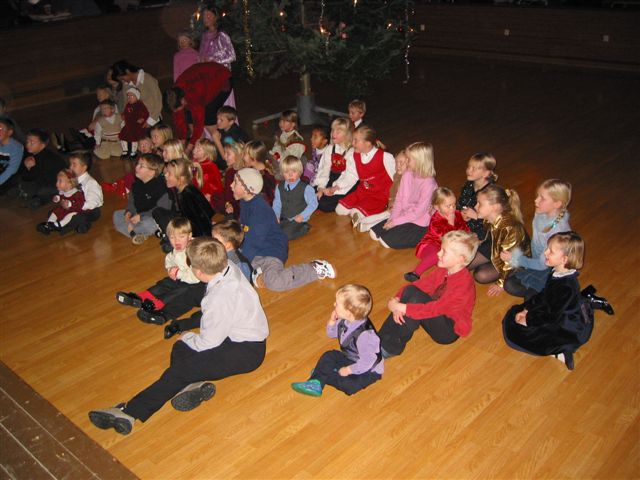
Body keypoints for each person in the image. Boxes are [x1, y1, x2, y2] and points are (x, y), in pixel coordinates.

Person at [88, 237, 269, 435]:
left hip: (245, 352)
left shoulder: (218, 299)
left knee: (181, 363)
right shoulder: (229, 267)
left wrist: (186, 336)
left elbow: (209, 341)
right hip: (240, 337)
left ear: (198, 272)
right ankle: (192, 384)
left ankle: (128, 412)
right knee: (182, 350)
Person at [502, 232, 606, 370]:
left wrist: (529, 319)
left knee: (517, 333)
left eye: (550, 251)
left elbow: (551, 317)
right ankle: (557, 350)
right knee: (514, 315)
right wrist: (527, 309)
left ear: (564, 259)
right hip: (552, 313)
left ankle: (561, 351)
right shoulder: (556, 272)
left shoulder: (566, 287)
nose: (545, 252)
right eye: (547, 248)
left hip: (564, 326)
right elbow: (545, 295)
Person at [379, 230, 480, 358]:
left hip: (448, 329)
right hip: (435, 311)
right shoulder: (443, 270)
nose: (438, 253)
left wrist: (403, 308)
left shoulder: (463, 286)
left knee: (416, 299)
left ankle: (391, 348)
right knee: (410, 291)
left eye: (444, 252)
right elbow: (419, 285)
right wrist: (398, 300)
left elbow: (436, 309)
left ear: (460, 259)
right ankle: (378, 339)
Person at [233, 168, 336, 291]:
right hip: (256, 250)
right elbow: (245, 231)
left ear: (247, 189)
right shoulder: (245, 202)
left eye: (235, 183)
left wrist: (241, 264)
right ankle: (258, 274)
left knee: (275, 283)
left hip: (270, 251)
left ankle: (315, 268)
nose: (231, 185)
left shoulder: (259, 211)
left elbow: (253, 242)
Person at [164, 219, 253, 340]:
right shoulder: (218, 254)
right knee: (191, 294)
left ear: (227, 245)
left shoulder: (238, 264)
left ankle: (180, 325)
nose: (211, 241)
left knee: (206, 315)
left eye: (215, 239)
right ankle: (165, 313)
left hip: (228, 301)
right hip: (214, 288)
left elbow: (241, 290)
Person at [291, 284, 383, 397]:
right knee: (329, 355)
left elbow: (367, 362)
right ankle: (316, 382)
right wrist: (332, 321)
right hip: (351, 358)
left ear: (348, 312)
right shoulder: (344, 320)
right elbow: (332, 334)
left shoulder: (366, 336)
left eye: (337, 304)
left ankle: (322, 374)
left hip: (369, 370)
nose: (334, 304)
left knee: (349, 386)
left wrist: (349, 370)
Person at [116, 217, 206, 325]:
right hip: (182, 277)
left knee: (181, 292)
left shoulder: (196, 251)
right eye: (172, 237)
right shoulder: (178, 247)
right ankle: (140, 298)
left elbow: (196, 277)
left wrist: (178, 273)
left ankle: (158, 306)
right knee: (165, 283)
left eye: (181, 237)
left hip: (199, 284)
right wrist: (171, 268)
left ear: (190, 236)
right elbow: (170, 258)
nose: (176, 241)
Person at [502, 179, 572, 299]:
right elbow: (535, 243)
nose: (536, 200)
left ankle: (549, 289)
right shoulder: (541, 212)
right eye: (537, 196)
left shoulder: (557, 232)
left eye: (542, 198)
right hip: (537, 258)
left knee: (512, 286)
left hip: (549, 266)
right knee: (508, 275)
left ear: (557, 204)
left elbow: (543, 264)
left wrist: (515, 258)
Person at [368, 142, 438, 247]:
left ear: (419, 161)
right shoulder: (407, 174)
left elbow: (418, 212)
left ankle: (424, 235)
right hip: (405, 214)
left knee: (385, 241)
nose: (406, 161)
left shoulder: (429, 184)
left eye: (408, 159)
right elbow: (399, 199)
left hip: (419, 221)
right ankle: (399, 227)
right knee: (373, 233)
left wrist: (396, 222)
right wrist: (393, 218)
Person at [467, 184, 530, 296]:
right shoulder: (490, 217)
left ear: (494, 207)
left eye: (480, 204)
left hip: (513, 260)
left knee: (481, 275)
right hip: (495, 247)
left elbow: (510, 261)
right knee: (465, 262)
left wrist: (501, 283)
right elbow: (489, 236)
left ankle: (498, 271)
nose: (475, 206)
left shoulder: (510, 229)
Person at [333, 125, 396, 226]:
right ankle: (362, 209)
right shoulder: (354, 155)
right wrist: (337, 187)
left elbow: (396, 178)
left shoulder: (384, 157)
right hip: (362, 191)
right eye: (353, 140)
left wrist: (394, 199)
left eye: (356, 141)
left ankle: (378, 211)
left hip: (379, 195)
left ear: (368, 143)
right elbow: (351, 175)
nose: (353, 143)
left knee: (355, 212)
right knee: (340, 210)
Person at [165, 62, 232, 155]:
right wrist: (182, 139)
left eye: (178, 109)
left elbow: (199, 123)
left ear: (183, 101)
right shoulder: (173, 95)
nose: (176, 112)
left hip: (222, 78)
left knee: (208, 116)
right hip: (203, 81)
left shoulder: (194, 95)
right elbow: (179, 118)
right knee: (189, 116)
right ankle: (201, 145)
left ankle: (219, 145)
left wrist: (188, 149)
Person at [404, 187, 470, 282]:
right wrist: (451, 223)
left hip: (449, 248)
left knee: (451, 261)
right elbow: (446, 238)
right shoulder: (436, 220)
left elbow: (464, 229)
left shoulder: (457, 214)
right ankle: (416, 273)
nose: (452, 208)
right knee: (436, 255)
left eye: (454, 204)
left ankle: (447, 277)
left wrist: (468, 236)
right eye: (448, 206)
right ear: (437, 207)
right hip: (431, 244)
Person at [154, 158, 215, 250]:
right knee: (158, 212)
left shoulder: (187, 195)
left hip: (196, 236)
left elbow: (201, 222)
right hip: (187, 226)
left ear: (181, 178)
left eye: (169, 173)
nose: (165, 175)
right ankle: (168, 234)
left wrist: (196, 242)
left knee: (160, 215)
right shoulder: (185, 190)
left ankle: (169, 237)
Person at [112, 153, 169, 244]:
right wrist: (129, 211)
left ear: (152, 172)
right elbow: (132, 201)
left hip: (153, 216)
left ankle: (131, 231)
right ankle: (136, 232)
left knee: (149, 224)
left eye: (141, 166)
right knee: (116, 214)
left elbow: (162, 209)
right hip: (138, 213)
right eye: (137, 164)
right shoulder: (136, 184)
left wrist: (141, 216)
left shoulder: (161, 187)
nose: (137, 167)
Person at [198, 2, 238, 111]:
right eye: (204, 16)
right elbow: (201, 55)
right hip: (208, 77)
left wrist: (213, 60)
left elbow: (232, 55)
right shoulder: (204, 36)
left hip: (220, 76)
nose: (205, 19)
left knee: (221, 107)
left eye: (209, 16)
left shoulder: (221, 35)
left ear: (216, 17)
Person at [16, 129, 66, 209]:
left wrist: (32, 168)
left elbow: (43, 180)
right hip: (38, 181)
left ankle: (37, 199)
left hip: (54, 184)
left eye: (32, 142)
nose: (28, 144)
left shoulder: (50, 159)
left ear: (42, 145)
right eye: (27, 141)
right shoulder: (28, 154)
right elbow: (24, 175)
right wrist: (27, 167)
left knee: (43, 191)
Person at [272, 155, 318, 240]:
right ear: (282, 173)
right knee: (269, 228)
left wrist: (302, 216)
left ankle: (304, 227)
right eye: (286, 172)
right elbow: (277, 203)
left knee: (285, 234)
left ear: (300, 172)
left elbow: (313, 204)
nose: (290, 175)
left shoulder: (306, 188)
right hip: (283, 217)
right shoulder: (279, 187)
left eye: (294, 171)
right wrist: (276, 215)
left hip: (298, 219)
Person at [314, 118, 355, 212]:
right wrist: (321, 188)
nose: (333, 134)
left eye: (338, 132)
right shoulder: (330, 148)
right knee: (310, 193)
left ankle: (348, 201)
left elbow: (350, 176)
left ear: (347, 134)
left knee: (324, 204)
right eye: (333, 130)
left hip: (344, 182)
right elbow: (324, 169)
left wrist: (334, 188)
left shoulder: (351, 152)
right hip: (331, 178)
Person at [110, 60, 163, 128]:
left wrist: (150, 121)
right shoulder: (126, 84)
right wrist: (125, 114)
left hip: (153, 119)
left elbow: (158, 102)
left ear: (127, 71)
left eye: (123, 78)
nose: (123, 81)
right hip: (137, 121)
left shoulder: (148, 79)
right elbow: (127, 102)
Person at [457, 153, 497, 241]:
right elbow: (461, 203)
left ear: (486, 173)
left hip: (482, 232)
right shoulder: (468, 185)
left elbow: (494, 221)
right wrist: (462, 211)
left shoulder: (491, 194)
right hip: (466, 225)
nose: (469, 170)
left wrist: (476, 216)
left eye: (474, 168)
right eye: (469, 167)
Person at [64, 151, 103, 234]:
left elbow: (93, 202)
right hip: (75, 205)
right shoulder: (72, 180)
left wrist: (75, 206)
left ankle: (76, 225)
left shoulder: (90, 183)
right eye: (70, 164)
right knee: (58, 211)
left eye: (74, 165)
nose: (70, 167)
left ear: (84, 167)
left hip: (90, 209)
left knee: (78, 217)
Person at [36, 169, 85, 235]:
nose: (56, 183)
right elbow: (61, 197)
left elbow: (80, 204)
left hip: (73, 210)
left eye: (60, 181)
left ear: (70, 183)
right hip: (63, 210)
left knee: (72, 215)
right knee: (55, 211)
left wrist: (70, 204)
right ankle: (49, 224)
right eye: (57, 181)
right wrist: (57, 198)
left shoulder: (77, 193)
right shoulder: (63, 192)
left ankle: (58, 225)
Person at [212, 139, 244, 219]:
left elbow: (229, 197)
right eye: (225, 153)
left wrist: (226, 204)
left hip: (235, 210)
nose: (225, 157)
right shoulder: (242, 169)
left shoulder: (231, 173)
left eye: (228, 154)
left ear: (237, 155)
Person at [269, 110, 306, 176]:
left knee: (277, 175)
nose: (281, 123)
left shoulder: (296, 141)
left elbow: (291, 159)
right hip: (280, 158)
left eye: (284, 121)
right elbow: (277, 145)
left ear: (293, 124)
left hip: (290, 164)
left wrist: (278, 157)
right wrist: (275, 153)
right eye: (280, 120)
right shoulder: (282, 133)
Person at [243, 140, 277, 206]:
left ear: (253, 158)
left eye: (244, 154)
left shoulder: (266, 177)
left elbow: (270, 200)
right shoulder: (251, 171)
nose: (243, 157)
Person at [119, 87, 149, 159]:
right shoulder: (128, 105)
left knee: (134, 138)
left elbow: (146, 113)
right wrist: (123, 115)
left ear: (137, 97)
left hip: (136, 125)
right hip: (128, 125)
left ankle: (133, 151)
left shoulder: (140, 104)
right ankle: (125, 150)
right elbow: (125, 112)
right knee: (123, 137)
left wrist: (142, 118)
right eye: (128, 96)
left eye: (131, 96)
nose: (129, 98)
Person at [191, 138, 223, 205]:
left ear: (207, 153)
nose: (194, 150)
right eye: (195, 147)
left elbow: (218, 188)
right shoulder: (193, 162)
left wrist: (210, 195)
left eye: (198, 149)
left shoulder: (211, 166)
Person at [0, 118, 24, 195]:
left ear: (9, 132)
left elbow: (12, 169)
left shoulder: (16, 147)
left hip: (10, 176)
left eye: (1, 129)